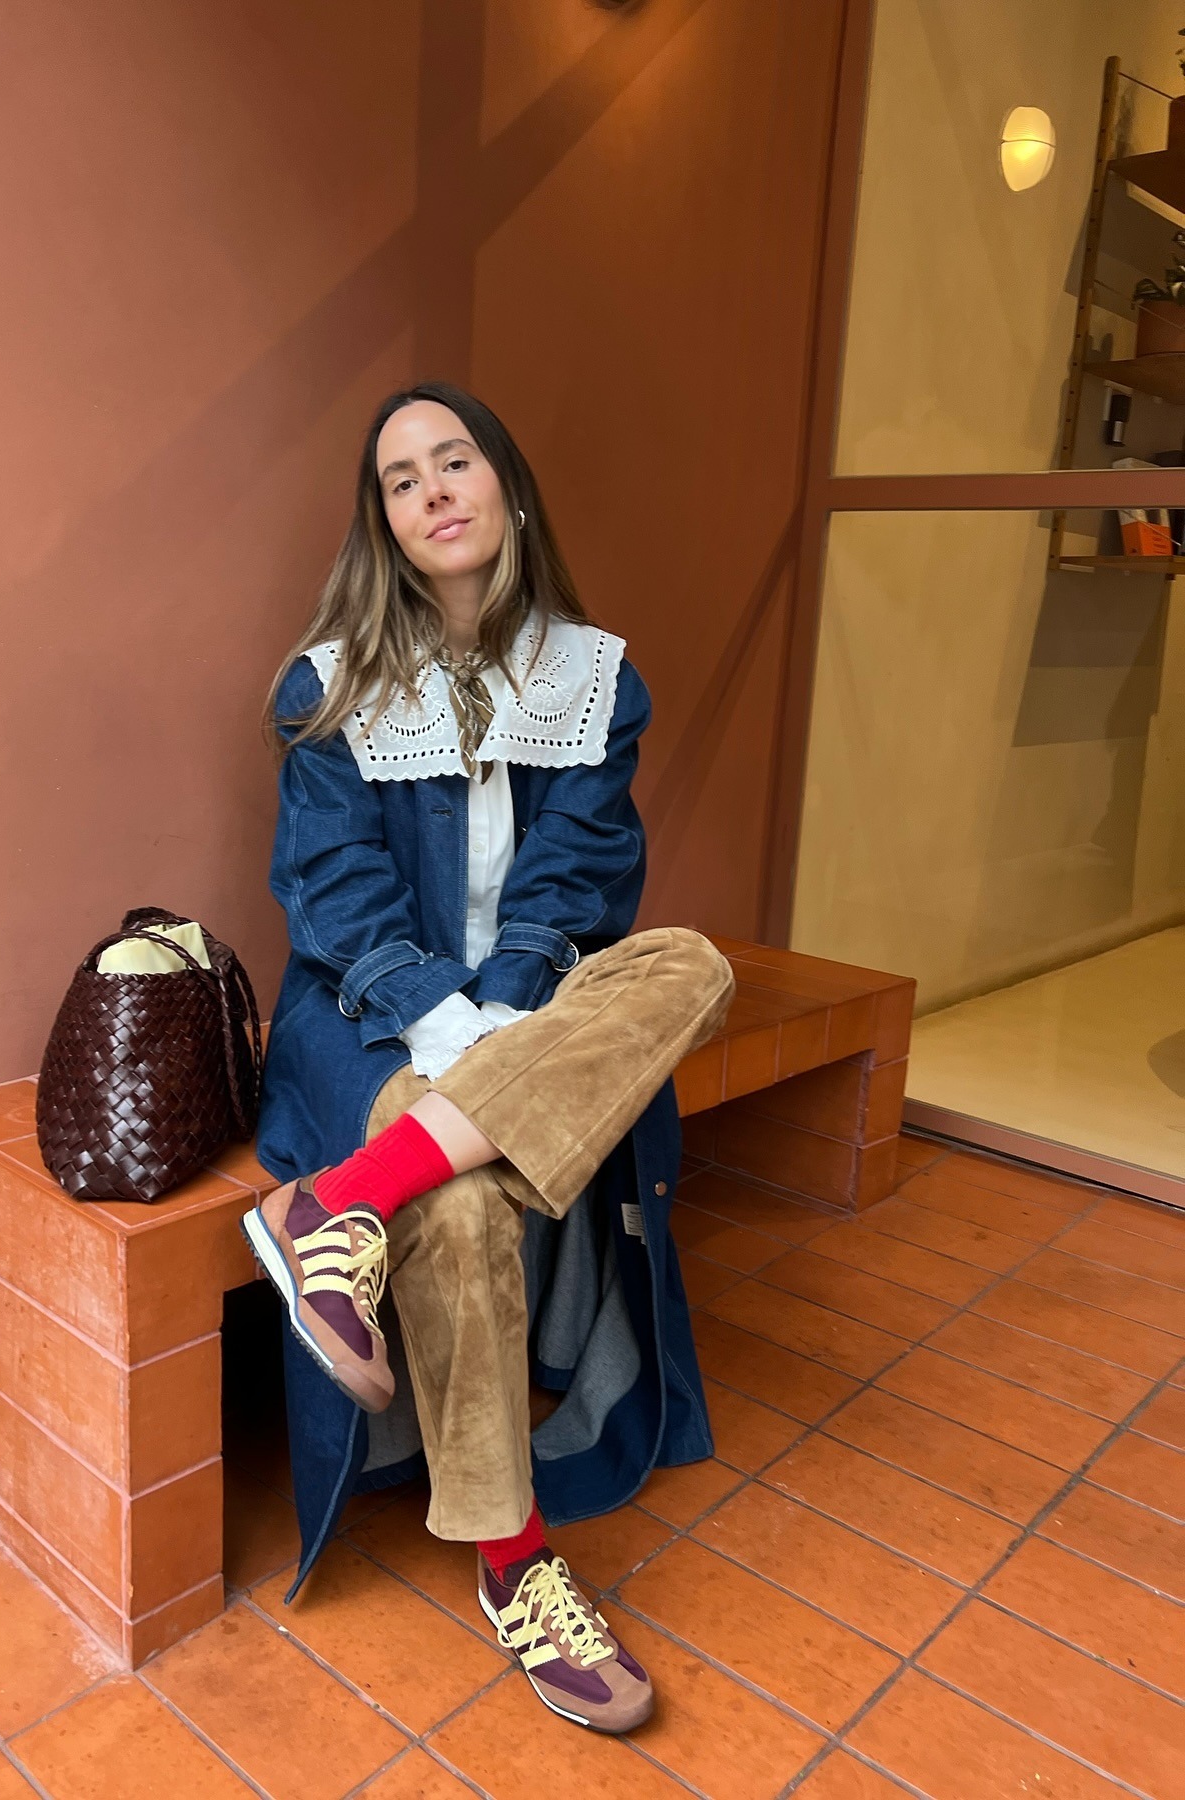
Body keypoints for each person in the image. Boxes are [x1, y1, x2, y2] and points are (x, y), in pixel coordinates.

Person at [244, 382, 734, 1734]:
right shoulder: (329, 679)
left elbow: (582, 876)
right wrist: (441, 1019)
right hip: (362, 1018)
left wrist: (513, 1002)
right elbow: (332, 891)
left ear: (506, 489)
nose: (431, 490)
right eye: (400, 480)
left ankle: (340, 1207)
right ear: (387, 526)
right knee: (455, 1200)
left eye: (453, 461)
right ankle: (514, 1562)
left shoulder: (592, 674)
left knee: (692, 965)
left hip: (536, 1012)